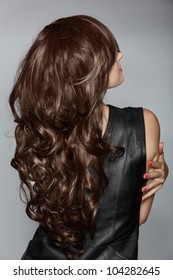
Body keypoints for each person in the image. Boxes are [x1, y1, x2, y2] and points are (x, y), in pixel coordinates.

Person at [9, 15, 168, 260]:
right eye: (109, 50)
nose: (120, 55)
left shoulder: (41, 130)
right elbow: (136, 218)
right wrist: (154, 178)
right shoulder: (144, 122)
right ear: (82, 67)